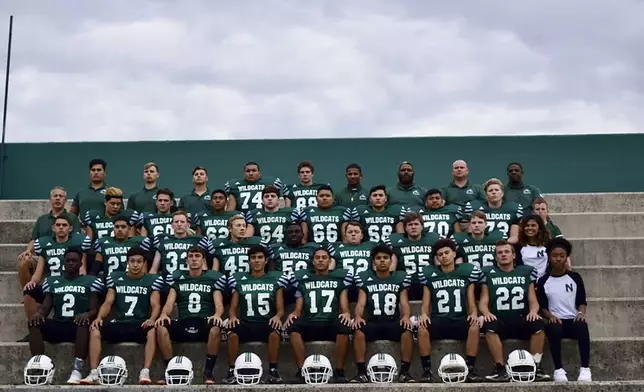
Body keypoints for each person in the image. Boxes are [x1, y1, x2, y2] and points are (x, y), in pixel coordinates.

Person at [80, 247, 164, 385]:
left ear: (144, 264)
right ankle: (94, 372)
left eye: (139, 261)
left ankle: (145, 371)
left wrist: (152, 319)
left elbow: (156, 305)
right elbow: (108, 302)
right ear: (127, 262)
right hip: (119, 322)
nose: (135, 264)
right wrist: (99, 317)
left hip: (139, 323)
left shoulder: (152, 280)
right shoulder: (116, 278)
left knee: (152, 330)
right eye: (132, 261)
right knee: (95, 329)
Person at [27, 247, 104, 384]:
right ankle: (38, 364)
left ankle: (77, 369)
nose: (70, 263)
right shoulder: (53, 281)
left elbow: (94, 309)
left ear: (81, 264)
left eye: (74, 261)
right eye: (67, 260)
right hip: (59, 323)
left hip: (76, 326)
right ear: (63, 263)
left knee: (83, 323)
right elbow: (46, 307)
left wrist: (87, 314)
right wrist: (38, 314)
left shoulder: (89, 281)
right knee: (34, 322)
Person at [216, 245, 290, 384]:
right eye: (253, 258)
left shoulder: (275, 280)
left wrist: (277, 316)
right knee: (232, 333)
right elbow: (233, 307)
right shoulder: (240, 280)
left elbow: (280, 309)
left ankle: (273, 370)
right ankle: (231, 370)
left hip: (266, 322)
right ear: (249, 261)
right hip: (247, 322)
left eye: (260, 257)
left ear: (266, 261)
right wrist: (232, 316)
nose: (256, 261)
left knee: (275, 333)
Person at [479, 240, 550, 382]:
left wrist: (534, 312)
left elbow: (533, 300)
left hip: (520, 318)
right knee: (489, 326)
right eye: (500, 253)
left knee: (538, 324)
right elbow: (483, 301)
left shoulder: (525, 272)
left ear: (514, 255)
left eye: (506, 252)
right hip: (500, 319)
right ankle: (500, 368)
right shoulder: (489, 273)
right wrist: (486, 313)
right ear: (496, 256)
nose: (503, 255)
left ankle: (536, 366)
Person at [155, 247, 225, 385]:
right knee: (161, 327)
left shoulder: (212, 279)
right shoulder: (178, 280)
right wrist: (163, 314)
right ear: (187, 260)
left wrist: (217, 315)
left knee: (216, 328)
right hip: (184, 322)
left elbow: (219, 303)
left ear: (203, 260)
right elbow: (169, 303)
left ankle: (208, 373)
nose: (194, 259)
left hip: (203, 322)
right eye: (191, 256)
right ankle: (170, 369)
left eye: (197, 256)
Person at [417, 239, 483, 383]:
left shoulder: (466, 272)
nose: (444, 256)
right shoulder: (429, 275)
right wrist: (423, 314)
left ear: (454, 254)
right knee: (422, 328)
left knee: (474, 325)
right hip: (438, 320)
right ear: (437, 258)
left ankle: (470, 368)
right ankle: (426, 371)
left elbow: (470, 299)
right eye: (440, 254)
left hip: (459, 319)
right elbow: (425, 302)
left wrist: (473, 313)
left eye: (447, 253)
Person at [285, 247, 353, 383]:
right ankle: (302, 370)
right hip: (310, 321)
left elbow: (344, 307)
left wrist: (346, 313)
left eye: (324, 257)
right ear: (313, 261)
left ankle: (339, 370)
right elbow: (299, 308)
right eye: (317, 258)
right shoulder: (303, 281)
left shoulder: (339, 281)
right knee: (293, 327)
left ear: (330, 261)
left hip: (330, 322)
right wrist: (293, 314)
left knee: (343, 327)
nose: (321, 260)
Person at [351, 244, 415, 383]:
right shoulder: (366, 280)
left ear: (391, 261)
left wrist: (405, 316)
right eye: (378, 258)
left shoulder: (399, 279)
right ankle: (361, 372)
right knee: (358, 331)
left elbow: (404, 303)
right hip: (374, 322)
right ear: (373, 261)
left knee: (407, 330)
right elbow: (361, 303)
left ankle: (405, 372)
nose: (382, 260)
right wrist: (357, 317)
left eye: (385, 258)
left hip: (393, 322)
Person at [537, 238, 591, 382]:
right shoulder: (543, 281)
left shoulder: (575, 277)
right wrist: (550, 316)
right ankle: (559, 370)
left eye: (562, 256)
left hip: (572, 320)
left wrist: (580, 313)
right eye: (555, 256)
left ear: (566, 257)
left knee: (582, 326)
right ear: (549, 257)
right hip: (557, 320)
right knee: (553, 328)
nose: (558, 259)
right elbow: (542, 307)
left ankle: (585, 368)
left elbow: (582, 301)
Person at [23, 216, 92, 321]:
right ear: (53, 228)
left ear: (70, 228)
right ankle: (33, 324)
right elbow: (39, 270)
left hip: (71, 284)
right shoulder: (45, 245)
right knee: (29, 291)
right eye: (58, 225)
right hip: (52, 286)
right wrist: (33, 281)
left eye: (64, 225)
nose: (61, 227)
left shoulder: (78, 243)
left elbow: (82, 269)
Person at [18, 186, 82, 291]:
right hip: (42, 256)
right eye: (55, 196)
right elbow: (34, 239)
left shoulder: (72, 218)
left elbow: (77, 239)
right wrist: (28, 251)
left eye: (61, 196)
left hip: (64, 255)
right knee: (23, 261)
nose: (58, 198)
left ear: (65, 200)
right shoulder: (42, 219)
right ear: (50, 199)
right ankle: (28, 293)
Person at [141, 211, 213, 277]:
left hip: (187, 281)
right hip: (167, 280)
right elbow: (154, 268)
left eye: (182, 222)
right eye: (176, 222)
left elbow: (203, 267)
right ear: (171, 225)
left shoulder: (197, 241)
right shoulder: (162, 240)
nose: (179, 224)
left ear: (188, 225)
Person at [388, 212, 440, 300]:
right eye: (410, 224)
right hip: (406, 284)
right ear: (405, 228)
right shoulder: (396, 242)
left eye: (416, 224)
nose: (413, 227)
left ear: (422, 227)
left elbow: (438, 265)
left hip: (427, 282)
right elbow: (391, 268)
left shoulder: (432, 240)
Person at [328, 221, 378, 301]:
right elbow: (330, 270)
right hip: (343, 286)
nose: (353, 234)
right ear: (345, 235)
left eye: (356, 232)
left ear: (361, 235)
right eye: (350, 232)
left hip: (365, 285)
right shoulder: (336, 247)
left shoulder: (371, 246)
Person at [463, 178, 522, 243]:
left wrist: (503, 244)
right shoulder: (474, 207)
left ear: (502, 193)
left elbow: (514, 237)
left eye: (496, 190)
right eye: (490, 190)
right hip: (482, 246)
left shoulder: (513, 209)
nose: (494, 192)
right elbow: (469, 232)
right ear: (486, 195)